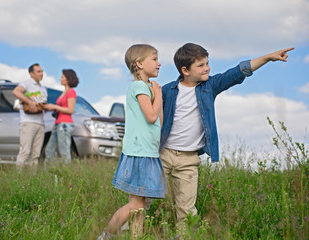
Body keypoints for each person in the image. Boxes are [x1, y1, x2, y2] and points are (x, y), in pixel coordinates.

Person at [160, 43, 294, 225]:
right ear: (185, 70)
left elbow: (236, 72)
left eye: (207, 63)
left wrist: (267, 58)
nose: (207, 68)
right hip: (162, 155)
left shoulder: (210, 86)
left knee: (187, 211)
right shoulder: (167, 91)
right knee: (143, 199)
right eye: (200, 65)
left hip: (188, 160)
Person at [98, 44, 168, 240]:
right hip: (140, 152)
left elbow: (158, 121)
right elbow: (152, 116)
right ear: (139, 63)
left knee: (139, 206)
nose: (159, 63)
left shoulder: (148, 87)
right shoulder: (138, 86)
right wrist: (159, 94)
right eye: (154, 59)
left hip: (148, 151)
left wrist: (157, 95)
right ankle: (105, 235)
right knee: (136, 205)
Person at [13, 63, 48, 168]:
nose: (41, 73)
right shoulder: (26, 84)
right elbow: (16, 92)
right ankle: (19, 179)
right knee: (25, 152)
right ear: (31, 74)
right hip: (28, 123)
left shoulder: (43, 89)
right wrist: (29, 102)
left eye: (42, 71)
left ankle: (31, 179)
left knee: (36, 154)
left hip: (40, 123)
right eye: (39, 71)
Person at [43, 69, 79, 165]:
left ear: (68, 79)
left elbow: (70, 110)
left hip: (65, 125)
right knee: (49, 151)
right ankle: (49, 175)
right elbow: (60, 110)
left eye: (62, 77)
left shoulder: (71, 92)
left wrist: (54, 106)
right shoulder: (64, 92)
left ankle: (66, 176)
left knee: (64, 153)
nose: (60, 79)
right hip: (58, 124)